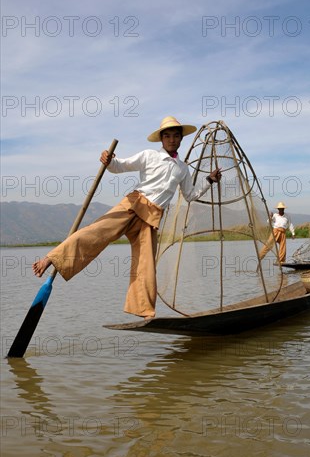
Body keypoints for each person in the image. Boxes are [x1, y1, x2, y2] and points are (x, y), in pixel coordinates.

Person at [32, 116, 222, 319]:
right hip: (133, 205)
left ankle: (145, 311)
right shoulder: (149, 155)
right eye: (167, 136)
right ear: (161, 139)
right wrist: (109, 160)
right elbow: (120, 166)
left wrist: (209, 180)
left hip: (152, 217)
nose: (172, 140)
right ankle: (51, 258)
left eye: (176, 136)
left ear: (181, 139)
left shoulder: (182, 169)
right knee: (96, 233)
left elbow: (191, 195)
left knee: (146, 265)